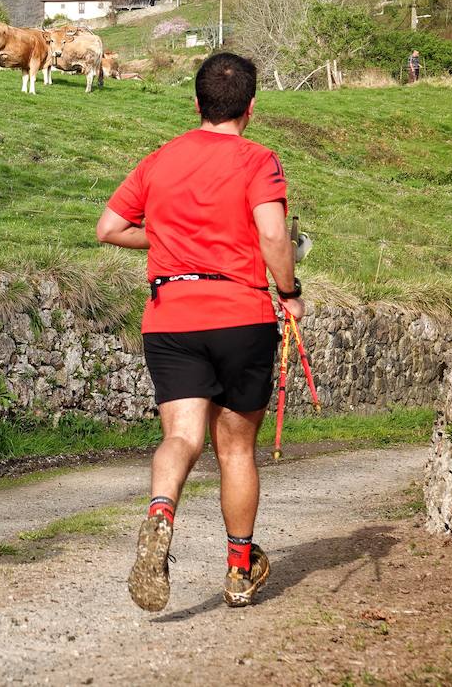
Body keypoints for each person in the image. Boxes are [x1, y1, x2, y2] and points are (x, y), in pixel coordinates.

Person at [96, 52, 304, 612]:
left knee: (182, 437)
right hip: (240, 315)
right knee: (235, 449)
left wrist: (165, 237)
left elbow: (109, 228)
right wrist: (290, 293)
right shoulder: (258, 160)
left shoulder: (159, 160)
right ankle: (238, 570)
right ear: (251, 107)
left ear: (196, 104)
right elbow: (273, 237)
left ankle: (160, 511)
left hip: (171, 317)